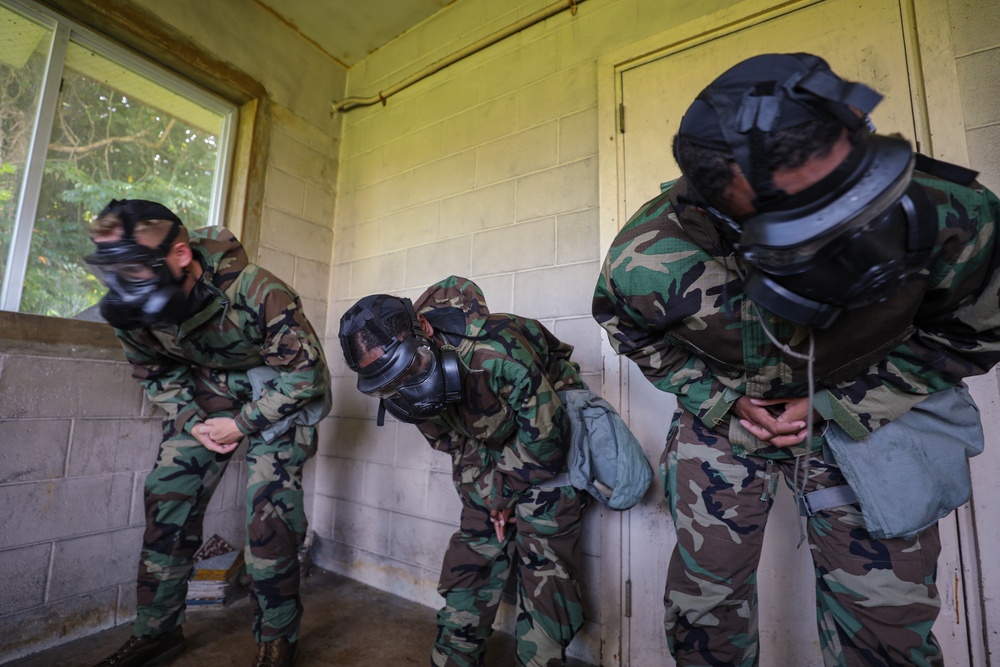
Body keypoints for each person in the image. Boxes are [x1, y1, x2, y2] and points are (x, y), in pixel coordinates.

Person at [592, 53, 1000, 666]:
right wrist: (720, 399)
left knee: (887, 624)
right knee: (705, 605)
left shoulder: (954, 216)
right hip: (725, 421)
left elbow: (976, 329)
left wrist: (841, 402)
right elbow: (629, 330)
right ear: (720, 212)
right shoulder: (645, 257)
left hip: (873, 412)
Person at [85, 199, 331, 667]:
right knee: (167, 494)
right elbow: (155, 372)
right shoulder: (132, 304)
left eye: (133, 268)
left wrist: (242, 424)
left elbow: (306, 376)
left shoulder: (257, 289)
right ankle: (157, 632)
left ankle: (276, 640)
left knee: (270, 514)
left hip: (275, 388)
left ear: (179, 256)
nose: (122, 282)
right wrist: (192, 422)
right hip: (208, 391)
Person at [338, 275, 587, 667]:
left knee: (545, 571)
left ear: (424, 330)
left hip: (548, 442)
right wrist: (491, 495)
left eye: (410, 369)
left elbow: (547, 443)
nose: (406, 387)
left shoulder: (499, 351)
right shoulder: (401, 385)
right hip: (485, 454)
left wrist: (506, 492)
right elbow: (452, 443)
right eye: (391, 384)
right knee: (469, 559)